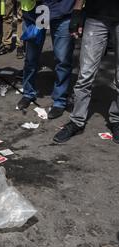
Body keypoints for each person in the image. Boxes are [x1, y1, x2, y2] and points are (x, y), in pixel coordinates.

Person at [54, 0, 119, 144]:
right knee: (85, 75)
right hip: (95, 16)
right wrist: (77, 11)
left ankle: (117, 120)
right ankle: (77, 121)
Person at [17, 0, 75, 120]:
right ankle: (28, 93)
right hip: (35, 12)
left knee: (63, 60)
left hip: (62, 10)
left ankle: (60, 101)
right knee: (31, 58)